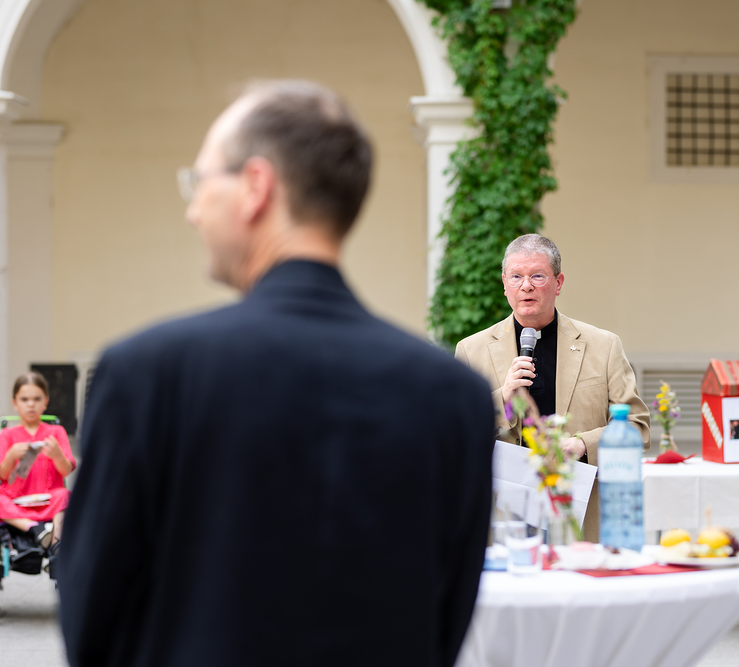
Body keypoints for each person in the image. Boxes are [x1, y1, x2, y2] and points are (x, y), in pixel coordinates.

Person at [58, 80, 495, 667]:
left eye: (200, 181)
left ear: (255, 187)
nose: (192, 211)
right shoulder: (453, 395)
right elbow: (445, 624)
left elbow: (90, 619)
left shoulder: (148, 373)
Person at [454, 234, 650, 541]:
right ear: (504, 283)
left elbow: (638, 428)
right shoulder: (472, 350)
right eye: (516, 276)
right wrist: (502, 397)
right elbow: (455, 435)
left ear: (558, 283)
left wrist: (583, 444)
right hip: (503, 515)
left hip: (578, 509)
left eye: (537, 276)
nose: (526, 286)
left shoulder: (603, 346)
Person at [0, 372, 75, 550]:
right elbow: (1, 475)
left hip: (48, 501)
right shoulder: (7, 434)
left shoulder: (56, 432)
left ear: (45, 402)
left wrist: (57, 455)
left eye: (36, 399)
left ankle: (56, 544)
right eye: (24, 399)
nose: (31, 404)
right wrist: (11, 456)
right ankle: (34, 528)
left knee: (66, 495)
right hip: (15, 502)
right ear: (15, 403)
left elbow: (66, 470)